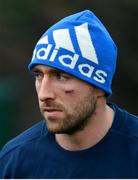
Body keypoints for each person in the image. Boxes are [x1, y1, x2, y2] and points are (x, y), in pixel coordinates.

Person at [0, 9, 138, 179]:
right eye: (39, 75)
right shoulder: (15, 161)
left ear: (99, 86)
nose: (44, 94)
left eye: (62, 76)